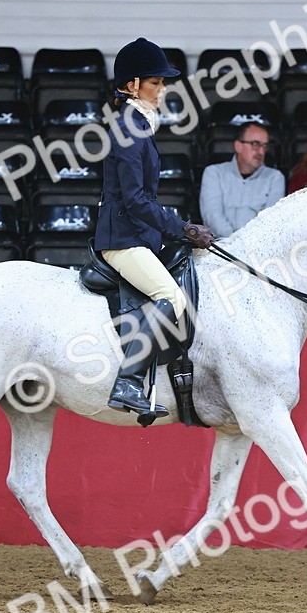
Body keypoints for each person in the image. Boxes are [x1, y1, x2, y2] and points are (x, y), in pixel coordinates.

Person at [94, 37, 215, 423]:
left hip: (137, 236)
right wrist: (183, 228)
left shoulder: (138, 125)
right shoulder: (129, 129)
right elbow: (134, 200)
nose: (162, 90)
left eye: (162, 84)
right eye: (154, 84)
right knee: (171, 296)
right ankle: (128, 382)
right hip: (122, 239)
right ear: (131, 85)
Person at [198, 121, 285, 237]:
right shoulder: (214, 173)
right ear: (238, 146)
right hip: (220, 246)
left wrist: (245, 245)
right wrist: (233, 242)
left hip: (257, 247)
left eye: (265, 146)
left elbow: (270, 221)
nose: (261, 151)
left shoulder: (275, 178)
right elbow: (212, 217)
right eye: (255, 144)